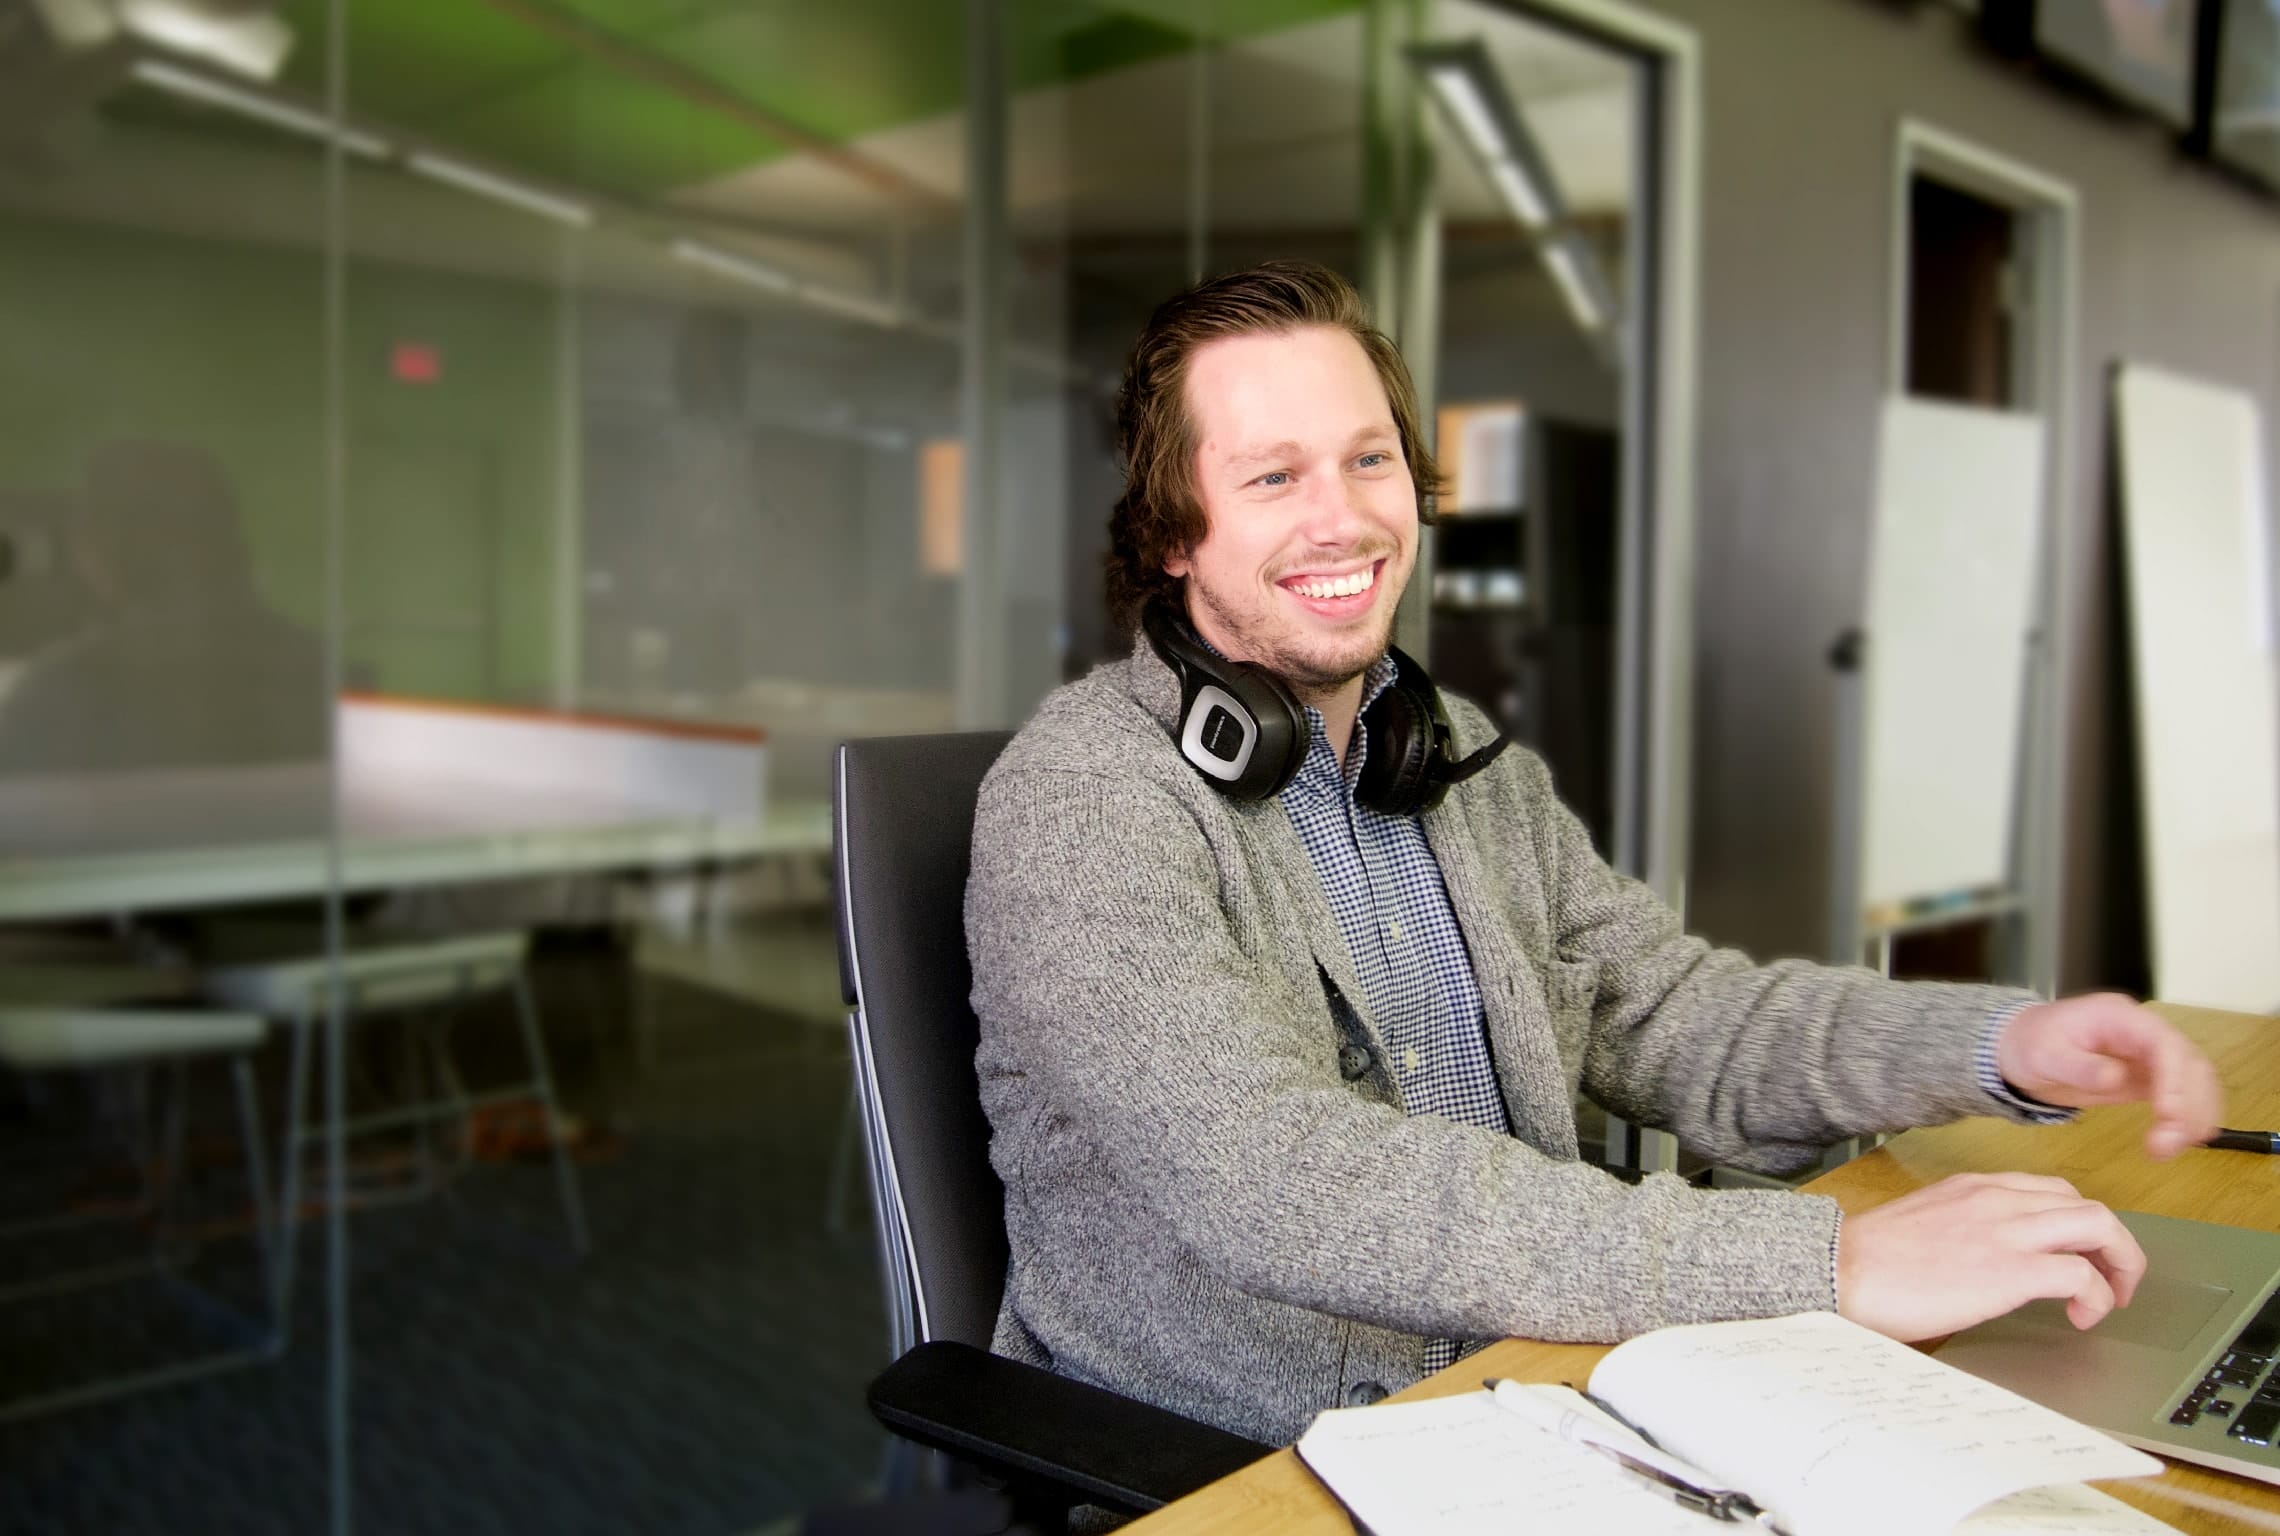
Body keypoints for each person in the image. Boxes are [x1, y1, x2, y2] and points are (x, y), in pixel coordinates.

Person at [962, 260, 2222, 1446]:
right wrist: (1826, 1264)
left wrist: (1997, 1048)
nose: (1344, 518)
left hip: (1556, 1385)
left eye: (1369, 459)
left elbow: (1681, 1015)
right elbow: (1283, 1178)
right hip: (1270, 1461)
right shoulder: (1083, 802)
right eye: (1273, 478)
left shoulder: (1449, 756)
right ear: (1175, 536)